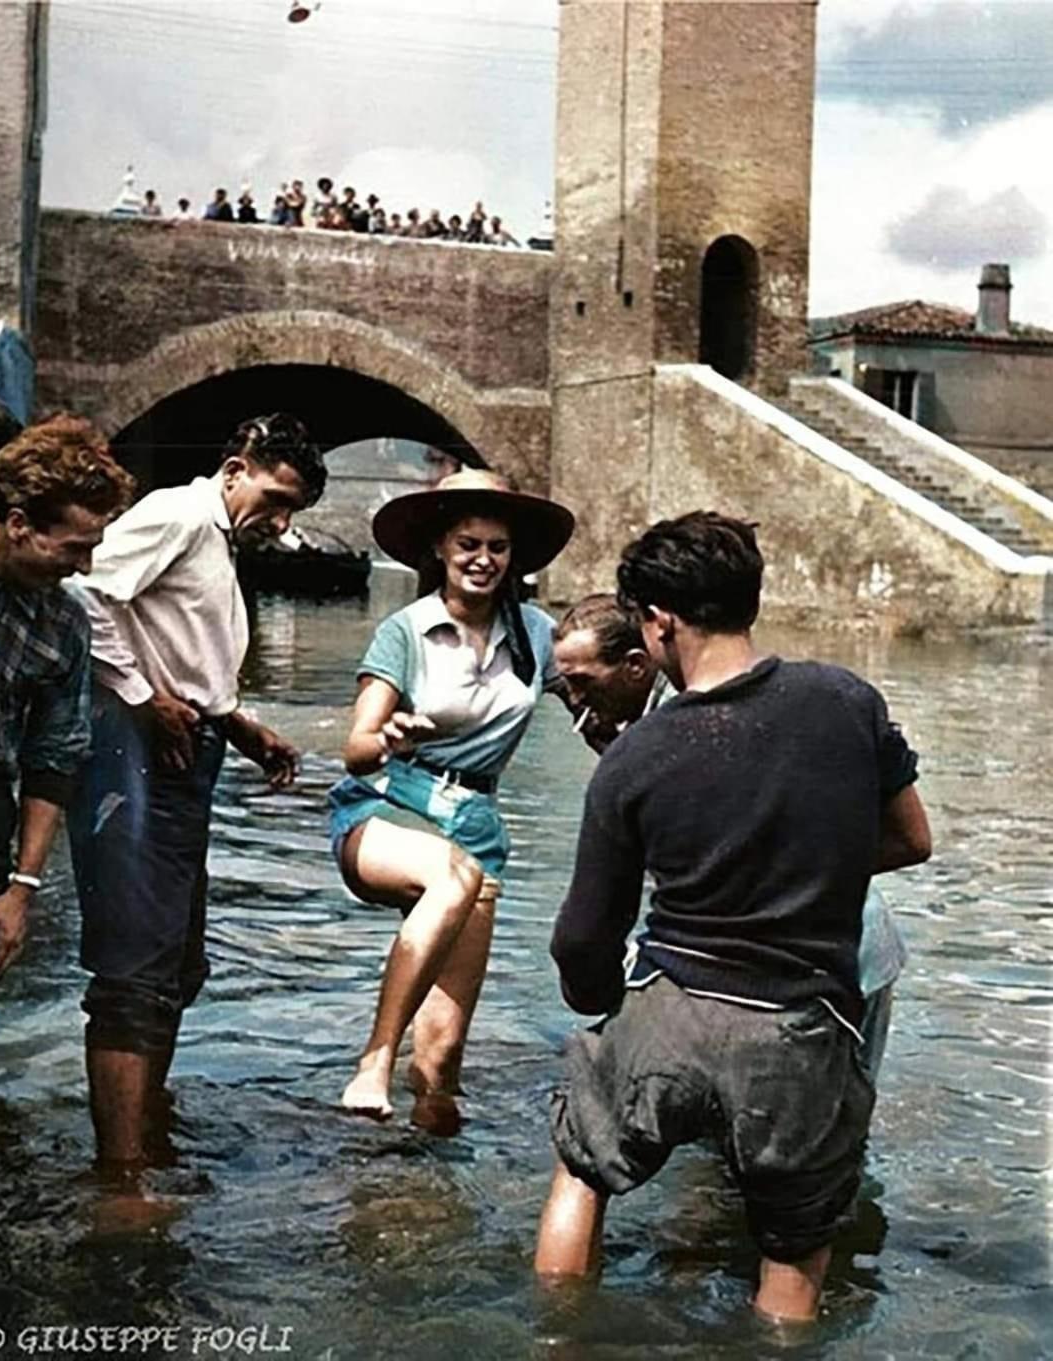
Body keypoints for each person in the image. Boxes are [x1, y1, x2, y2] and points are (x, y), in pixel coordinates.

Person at [535, 513, 931, 1323]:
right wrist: (806, 875)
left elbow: (583, 936)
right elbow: (910, 837)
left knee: (582, 1161)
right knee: (791, 1248)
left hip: (673, 1011)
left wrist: (595, 1000)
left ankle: (558, 1334)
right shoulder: (847, 702)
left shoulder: (634, 758)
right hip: (798, 1021)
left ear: (660, 621)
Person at [67, 414, 327, 1172]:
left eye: (292, 513)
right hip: (135, 749)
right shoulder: (179, 514)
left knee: (176, 962)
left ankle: (147, 1124)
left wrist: (236, 721)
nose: (279, 525)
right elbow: (85, 590)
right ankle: (118, 1171)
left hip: (185, 750)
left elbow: (177, 640)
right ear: (235, 466)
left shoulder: (215, 537)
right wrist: (145, 696)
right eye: (275, 500)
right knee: (135, 963)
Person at [552, 592, 907, 1080]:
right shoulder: (658, 731)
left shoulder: (688, 727)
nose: (575, 700)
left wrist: (776, 883)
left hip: (820, 961)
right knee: (822, 1131)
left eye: (581, 682)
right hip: (827, 954)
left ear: (638, 663)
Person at [328, 469, 574, 1126]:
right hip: (385, 807)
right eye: (468, 543)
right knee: (450, 875)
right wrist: (388, 737)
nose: (482, 560)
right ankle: (374, 1057)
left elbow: (596, 705)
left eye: (497, 546)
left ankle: (424, 1181)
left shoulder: (538, 634)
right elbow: (354, 746)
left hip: (475, 825)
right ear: (440, 547)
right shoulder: (406, 631)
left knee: (442, 1056)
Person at [0, 415, 133, 1116]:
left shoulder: (65, 622)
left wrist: (21, 887)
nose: (86, 565)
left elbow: (54, 757)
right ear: (17, 522)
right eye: (75, 547)